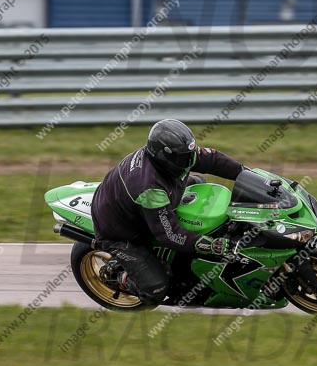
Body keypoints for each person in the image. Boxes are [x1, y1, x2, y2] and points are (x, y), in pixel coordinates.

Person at [91, 119, 243, 305]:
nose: (189, 162)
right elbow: (169, 235)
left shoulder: (177, 156)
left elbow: (212, 159)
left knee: (200, 183)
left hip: (143, 201)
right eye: (183, 158)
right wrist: (211, 245)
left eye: (189, 155)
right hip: (122, 233)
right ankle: (120, 277)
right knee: (155, 289)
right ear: (162, 156)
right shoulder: (149, 188)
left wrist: (245, 173)